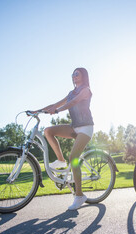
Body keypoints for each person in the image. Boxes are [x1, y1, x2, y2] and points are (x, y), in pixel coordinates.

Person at [35, 67, 94, 210]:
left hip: (86, 128)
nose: (74, 76)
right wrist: (37, 111)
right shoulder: (70, 93)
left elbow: (73, 102)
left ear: (83, 76)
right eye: (73, 74)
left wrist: (58, 110)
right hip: (74, 127)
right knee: (48, 131)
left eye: (77, 74)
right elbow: (55, 104)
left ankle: (79, 196)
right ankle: (60, 160)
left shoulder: (86, 90)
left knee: (73, 157)